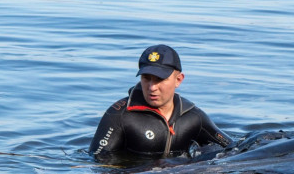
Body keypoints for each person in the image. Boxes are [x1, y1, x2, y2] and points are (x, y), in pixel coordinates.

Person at [89, 44, 232, 162]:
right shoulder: (120, 115)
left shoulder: (193, 117)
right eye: (146, 78)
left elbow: (233, 148)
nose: (152, 87)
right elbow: (97, 160)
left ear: (178, 80)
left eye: (159, 79)